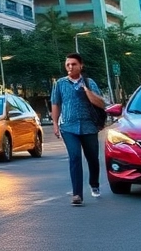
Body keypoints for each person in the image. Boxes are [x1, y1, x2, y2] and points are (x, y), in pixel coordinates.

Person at [50, 52, 107, 206]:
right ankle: (77, 194)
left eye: (73, 64)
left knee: (93, 159)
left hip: (89, 126)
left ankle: (94, 184)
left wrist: (87, 91)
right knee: (74, 157)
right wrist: (55, 124)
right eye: (67, 64)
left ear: (81, 66)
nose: (70, 66)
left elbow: (101, 104)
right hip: (68, 126)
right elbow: (55, 104)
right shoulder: (60, 84)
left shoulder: (89, 82)